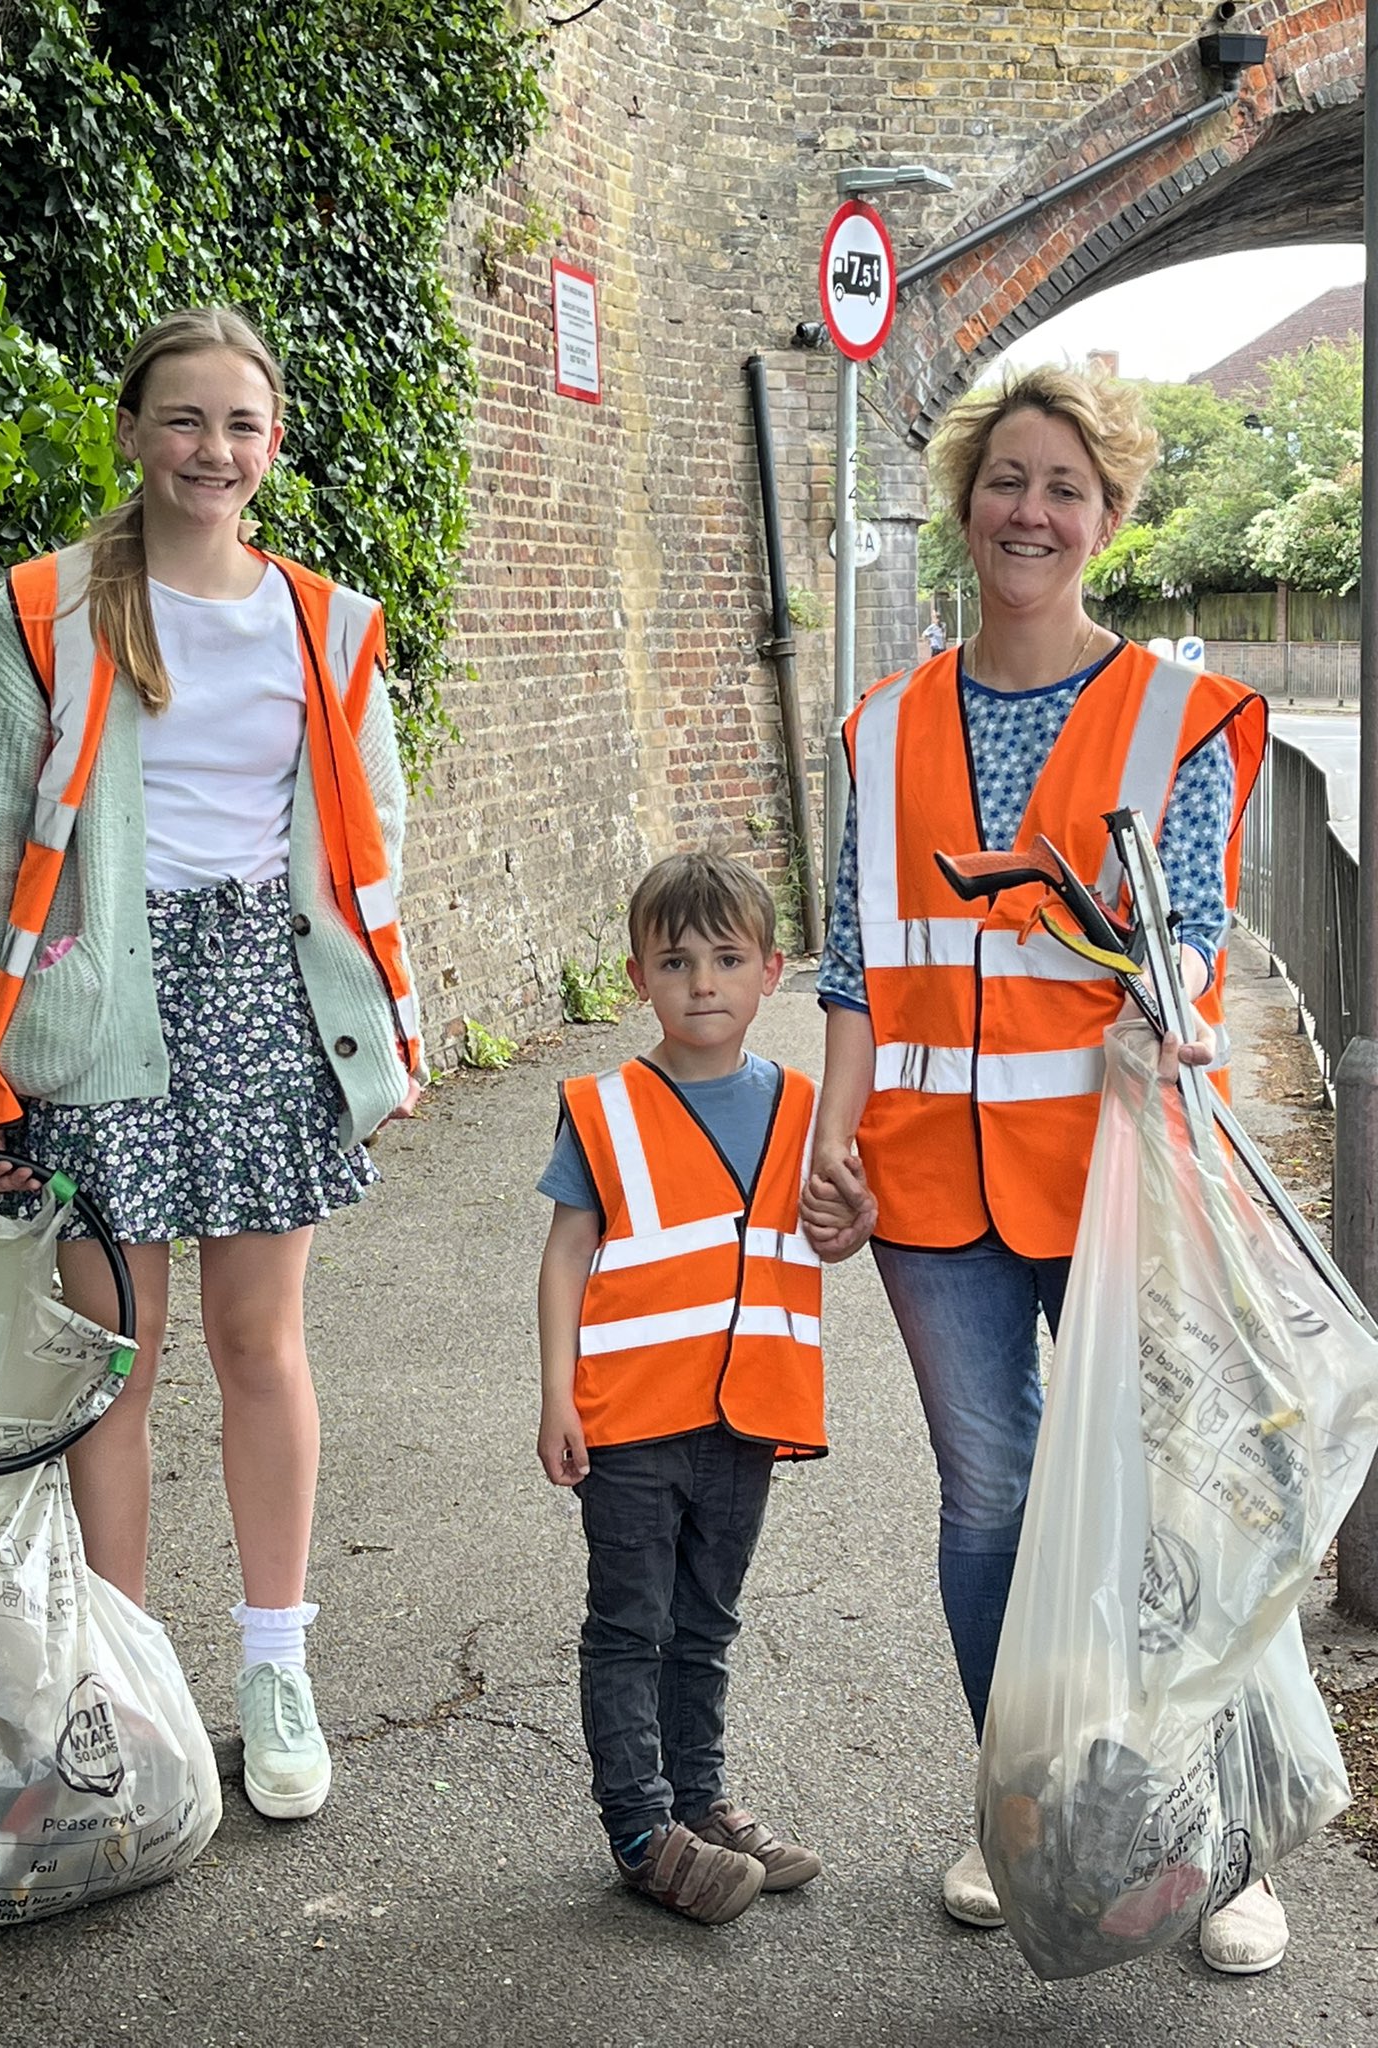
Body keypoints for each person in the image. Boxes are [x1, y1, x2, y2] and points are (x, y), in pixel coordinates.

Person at [801, 365, 1283, 1972]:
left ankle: (1204, 1836)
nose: (1031, 509)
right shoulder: (879, 729)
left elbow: (1194, 940)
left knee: (1158, 1509)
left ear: (1109, 516)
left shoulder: (1176, 715)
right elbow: (860, 966)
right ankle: (1034, 1814)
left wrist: (1177, 1019)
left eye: (1065, 486)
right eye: (1006, 478)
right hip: (933, 1186)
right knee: (992, 1503)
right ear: (965, 501)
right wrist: (830, 1144)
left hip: (1121, 1179)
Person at [0, 306, 424, 1824]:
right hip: (101, 1010)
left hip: (272, 1006)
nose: (214, 451)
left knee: (260, 1343)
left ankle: (275, 1664)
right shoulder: (44, 611)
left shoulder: (329, 625)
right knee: (120, 1369)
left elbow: (376, 838)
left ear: (273, 449)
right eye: (186, 420)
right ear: (134, 432)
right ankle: (125, 1681)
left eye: (243, 426)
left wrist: (377, 1019)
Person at [535, 851, 873, 1925]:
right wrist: (556, 1395)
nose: (703, 982)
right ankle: (641, 1829)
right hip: (630, 1420)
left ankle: (701, 1801)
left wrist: (849, 1225)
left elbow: (834, 1232)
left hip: (746, 1420)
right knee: (630, 1623)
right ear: (638, 975)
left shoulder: (808, 1105)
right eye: (675, 961)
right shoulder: (606, 1107)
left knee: (707, 1623)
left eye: (728, 958)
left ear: (772, 969)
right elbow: (565, 1254)